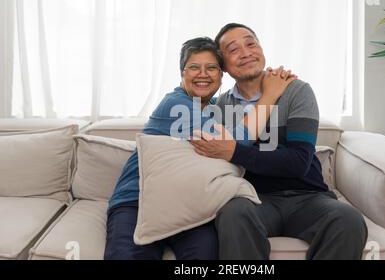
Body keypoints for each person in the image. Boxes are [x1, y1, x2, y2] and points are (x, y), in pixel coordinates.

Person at [104, 37, 295, 260]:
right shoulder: (175, 104)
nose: (203, 74)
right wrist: (270, 95)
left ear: (221, 76)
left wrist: (267, 82)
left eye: (211, 67)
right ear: (182, 73)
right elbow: (236, 143)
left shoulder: (219, 109)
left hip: (191, 204)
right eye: (194, 67)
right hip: (136, 202)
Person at [189, 23, 368, 260]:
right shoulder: (221, 107)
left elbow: (298, 162)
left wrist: (234, 151)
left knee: (348, 219)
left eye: (251, 43)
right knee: (233, 213)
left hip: (307, 197)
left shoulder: (296, 91)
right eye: (233, 49)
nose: (246, 52)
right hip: (253, 199)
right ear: (223, 65)